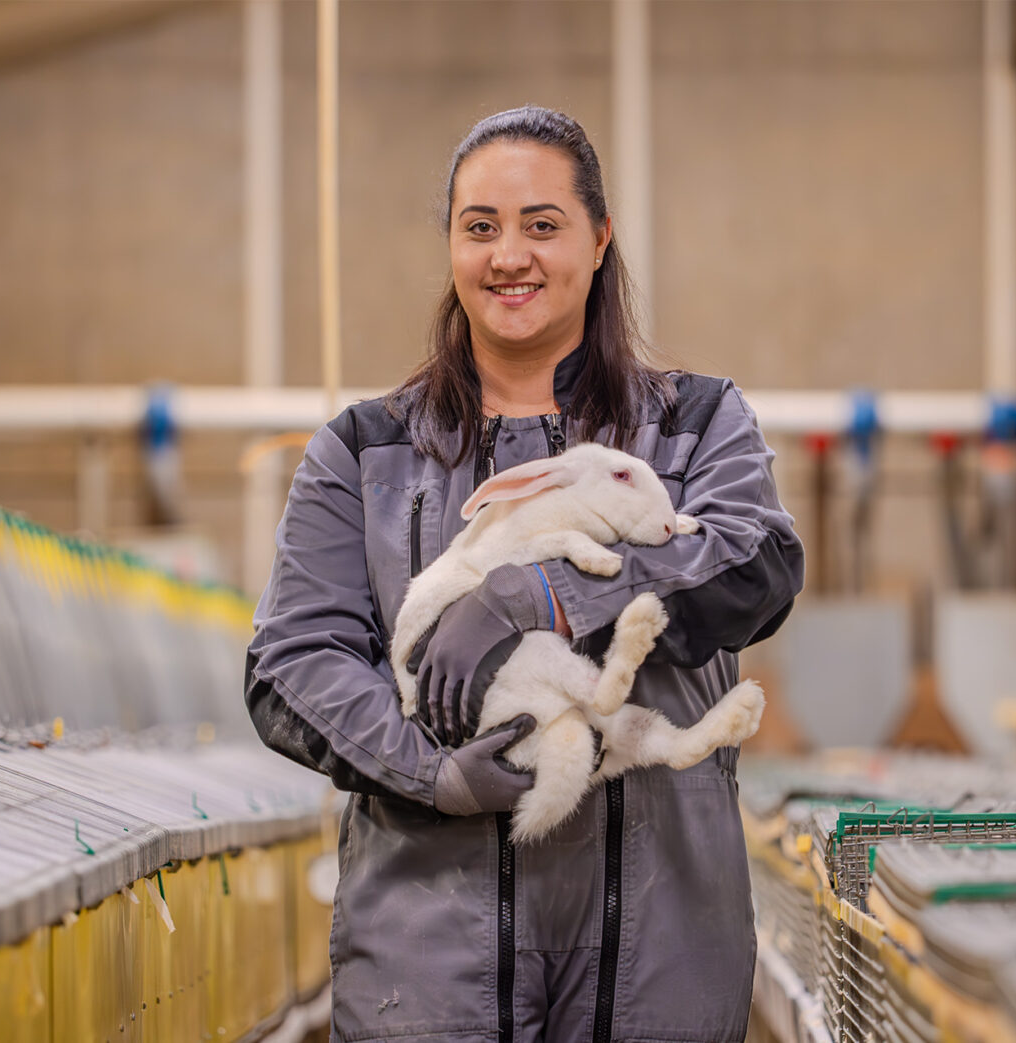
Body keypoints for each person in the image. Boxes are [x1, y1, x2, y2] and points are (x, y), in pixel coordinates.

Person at [246, 106, 803, 1043]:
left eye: (542, 225)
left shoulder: (696, 427)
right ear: (452, 246)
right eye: (481, 228)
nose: (510, 256)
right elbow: (291, 664)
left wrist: (549, 594)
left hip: (660, 950)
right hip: (427, 961)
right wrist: (433, 771)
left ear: (600, 238)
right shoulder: (364, 453)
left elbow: (756, 561)